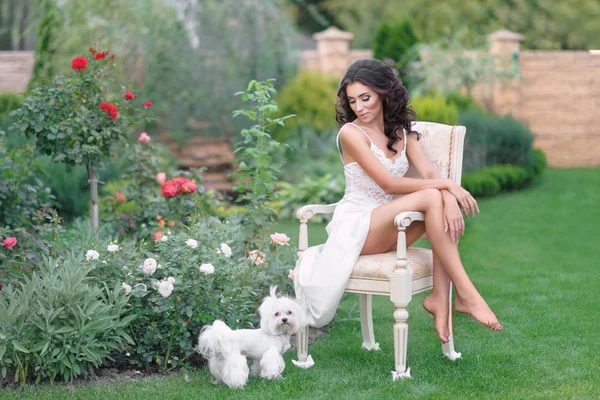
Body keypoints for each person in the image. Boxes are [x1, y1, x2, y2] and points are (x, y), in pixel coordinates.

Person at [293, 59, 502, 343]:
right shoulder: (350, 134)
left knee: (436, 203)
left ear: (385, 94)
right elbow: (388, 184)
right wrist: (448, 186)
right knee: (432, 196)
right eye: (353, 100)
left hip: (390, 225)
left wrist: (447, 196)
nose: (359, 107)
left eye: (366, 98)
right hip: (355, 226)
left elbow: (429, 172)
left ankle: (441, 297)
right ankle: (466, 295)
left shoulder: (401, 131)